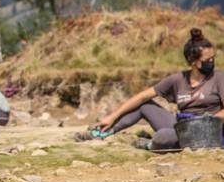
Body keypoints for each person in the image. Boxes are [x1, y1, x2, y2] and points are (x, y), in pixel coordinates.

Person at [76, 28, 224, 150]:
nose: (211, 62)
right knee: (145, 105)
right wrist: (112, 116)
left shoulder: (219, 78)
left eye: (213, 58)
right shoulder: (177, 79)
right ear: (192, 61)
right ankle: (102, 133)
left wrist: (208, 119)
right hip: (183, 127)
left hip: (208, 130)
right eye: (207, 60)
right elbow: (142, 97)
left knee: (164, 136)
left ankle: (149, 145)